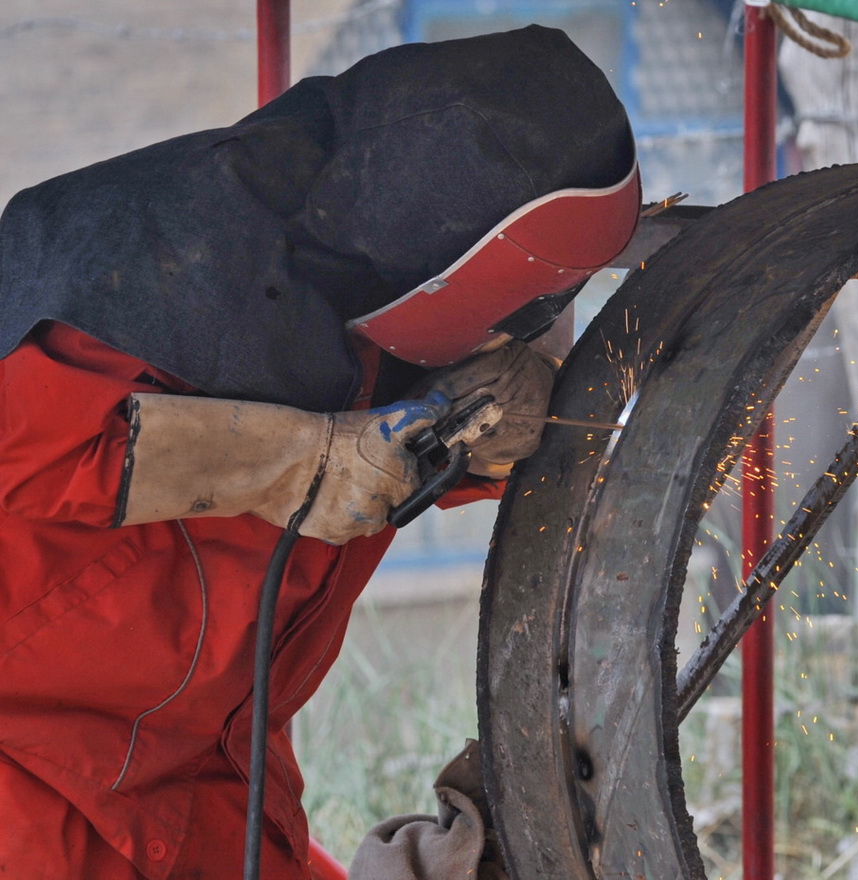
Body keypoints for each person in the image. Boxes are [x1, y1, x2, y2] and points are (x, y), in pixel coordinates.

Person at [0, 24, 639, 880]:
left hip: (198, 776)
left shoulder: (363, 276)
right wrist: (287, 459)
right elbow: (30, 436)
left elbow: (390, 446)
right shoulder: (138, 279)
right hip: (36, 787)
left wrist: (487, 432)